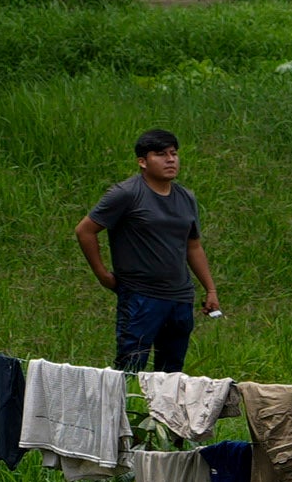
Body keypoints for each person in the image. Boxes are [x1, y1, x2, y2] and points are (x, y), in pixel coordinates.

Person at [80, 128, 221, 367]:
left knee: (171, 374)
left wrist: (210, 289)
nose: (170, 159)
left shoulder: (186, 197)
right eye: (161, 154)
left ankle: (162, 407)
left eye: (174, 153)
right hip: (140, 296)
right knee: (130, 366)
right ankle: (123, 406)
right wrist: (103, 275)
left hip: (180, 297)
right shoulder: (126, 194)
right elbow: (85, 230)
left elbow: (193, 246)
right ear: (142, 161)